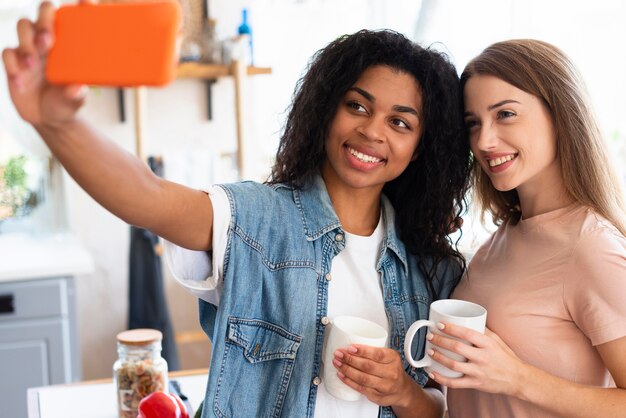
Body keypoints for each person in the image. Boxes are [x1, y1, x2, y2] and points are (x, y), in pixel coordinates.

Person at [3, 2, 471, 417]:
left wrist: (403, 393)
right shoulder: (254, 221)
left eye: (399, 122)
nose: (372, 131)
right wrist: (58, 123)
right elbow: (147, 196)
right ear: (327, 110)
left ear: (420, 146)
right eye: (357, 105)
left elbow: (439, 408)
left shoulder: (432, 268)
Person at [424, 39, 626, 418]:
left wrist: (517, 378)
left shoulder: (591, 247)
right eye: (473, 123)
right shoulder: (504, 235)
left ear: (560, 113)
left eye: (505, 115)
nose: (483, 141)